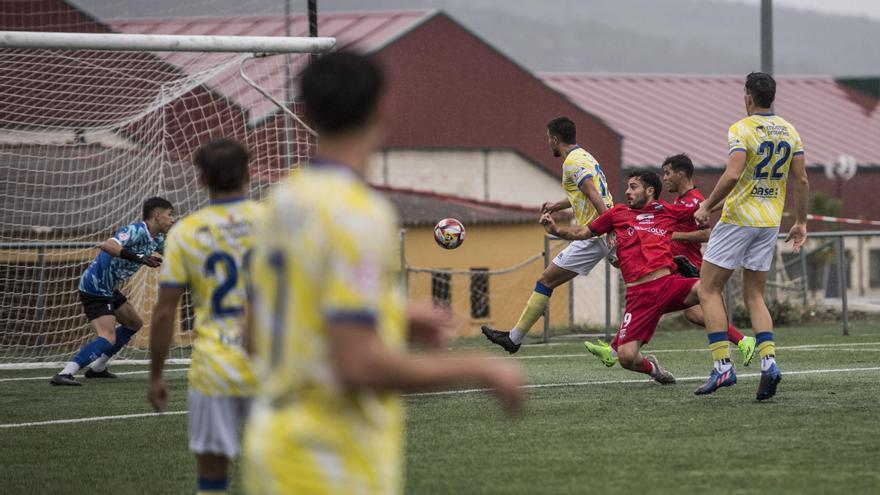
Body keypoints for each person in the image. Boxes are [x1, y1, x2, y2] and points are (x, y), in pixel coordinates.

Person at [242, 51, 524, 495]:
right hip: (330, 459)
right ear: (382, 109)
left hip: (272, 448)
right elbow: (356, 365)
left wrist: (392, 316)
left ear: (306, 113)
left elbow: (255, 333)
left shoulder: (282, 201)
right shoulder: (360, 215)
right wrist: (480, 368)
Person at [147, 139, 259, 495]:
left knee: (212, 482)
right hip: (272, 366)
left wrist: (156, 375)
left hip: (214, 371)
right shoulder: (276, 222)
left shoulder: (185, 233)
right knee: (285, 475)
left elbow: (165, 313)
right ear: (248, 174)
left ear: (200, 179)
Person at [693, 72, 809, 400]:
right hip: (768, 222)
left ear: (748, 96)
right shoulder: (790, 130)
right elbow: (801, 181)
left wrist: (706, 206)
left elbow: (732, 174)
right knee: (755, 295)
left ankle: (722, 367)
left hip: (738, 218)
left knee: (709, 289)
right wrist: (800, 222)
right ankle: (768, 362)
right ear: (772, 97)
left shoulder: (741, 129)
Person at [582, 154, 756, 368]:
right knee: (648, 304)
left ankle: (741, 341)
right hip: (671, 266)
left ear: (681, 174)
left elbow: (706, 233)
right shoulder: (678, 201)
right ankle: (614, 349)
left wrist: (668, 235)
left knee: (677, 309)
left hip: (689, 265)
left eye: (668, 173)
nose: (664, 178)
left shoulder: (693, 200)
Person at [541, 169, 704, 385]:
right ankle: (651, 368)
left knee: (707, 291)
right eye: (627, 187)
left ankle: (736, 348)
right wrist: (556, 229)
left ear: (650, 190)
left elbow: (702, 215)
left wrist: (728, 198)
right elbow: (582, 233)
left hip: (667, 282)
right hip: (638, 295)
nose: (627, 191)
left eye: (633, 187)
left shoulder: (665, 210)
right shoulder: (617, 214)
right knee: (627, 358)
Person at [482, 116, 613, 353]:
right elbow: (583, 195)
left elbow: (592, 193)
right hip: (607, 231)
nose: (548, 144)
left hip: (595, 235)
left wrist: (607, 225)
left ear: (555, 139)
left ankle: (514, 339)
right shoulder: (585, 156)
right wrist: (556, 206)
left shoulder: (571, 163)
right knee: (644, 281)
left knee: (545, 280)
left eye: (548, 139)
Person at [50, 197, 174, 386]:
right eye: (169, 215)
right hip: (95, 286)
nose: (172, 220)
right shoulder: (134, 230)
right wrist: (139, 257)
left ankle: (98, 368)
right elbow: (107, 245)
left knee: (134, 324)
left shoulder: (156, 238)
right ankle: (65, 373)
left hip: (108, 288)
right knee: (107, 337)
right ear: (157, 215)